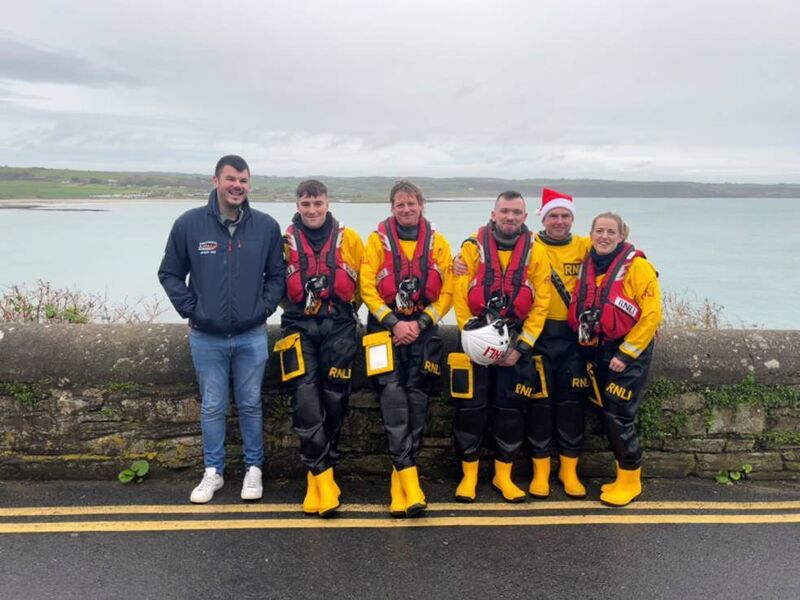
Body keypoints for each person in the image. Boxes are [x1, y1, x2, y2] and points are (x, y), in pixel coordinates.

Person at [158, 155, 285, 504]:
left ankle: (253, 470)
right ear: (216, 181)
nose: (237, 186)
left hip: (251, 334)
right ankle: (213, 472)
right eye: (231, 179)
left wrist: (263, 308)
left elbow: (277, 276)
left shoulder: (266, 227)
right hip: (206, 336)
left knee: (250, 404)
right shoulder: (189, 225)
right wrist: (191, 309)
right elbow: (169, 273)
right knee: (212, 406)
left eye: (243, 181)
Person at [450, 191, 551, 502]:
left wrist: (520, 347)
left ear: (524, 216)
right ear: (493, 214)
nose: (510, 217)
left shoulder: (536, 251)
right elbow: (459, 293)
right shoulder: (471, 248)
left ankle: (502, 476)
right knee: (471, 411)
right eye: (505, 211)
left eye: (517, 212)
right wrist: (475, 339)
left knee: (511, 412)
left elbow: (542, 303)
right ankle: (468, 477)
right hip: (476, 341)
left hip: (516, 345)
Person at [359, 180, 453, 517]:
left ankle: (401, 478)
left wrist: (420, 323)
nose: (406, 209)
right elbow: (367, 288)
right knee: (392, 397)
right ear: (392, 208)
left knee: (417, 399)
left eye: (411, 203)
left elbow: (448, 292)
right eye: (400, 205)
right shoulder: (375, 242)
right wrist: (393, 322)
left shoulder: (439, 244)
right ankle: (408, 480)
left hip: (422, 330)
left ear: (422, 205)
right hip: (383, 331)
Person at [276, 180, 364, 517]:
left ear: (327, 203)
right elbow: (276, 283)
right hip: (298, 325)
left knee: (335, 398)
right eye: (306, 204)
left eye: (318, 203)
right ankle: (323, 476)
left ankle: (321, 473)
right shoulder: (283, 242)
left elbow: (363, 281)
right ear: (297, 204)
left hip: (339, 325)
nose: (312, 210)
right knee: (305, 397)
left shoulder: (350, 238)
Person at [568, 212, 662, 506]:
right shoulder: (590, 263)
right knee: (605, 413)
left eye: (611, 232)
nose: (604, 237)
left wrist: (626, 353)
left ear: (622, 236)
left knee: (619, 415)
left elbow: (651, 315)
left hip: (628, 352)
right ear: (591, 234)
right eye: (599, 231)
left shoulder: (639, 268)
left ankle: (631, 479)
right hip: (600, 348)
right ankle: (622, 475)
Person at [525, 189, 593, 499]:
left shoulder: (585, 246)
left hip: (574, 339)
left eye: (565, 216)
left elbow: (627, 258)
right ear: (543, 217)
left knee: (571, 406)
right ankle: (540, 472)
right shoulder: (530, 244)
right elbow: (480, 241)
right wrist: (461, 256)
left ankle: (568, 471)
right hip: (538, 336)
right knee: (539, 405)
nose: (559, 221)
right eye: (553, 215)